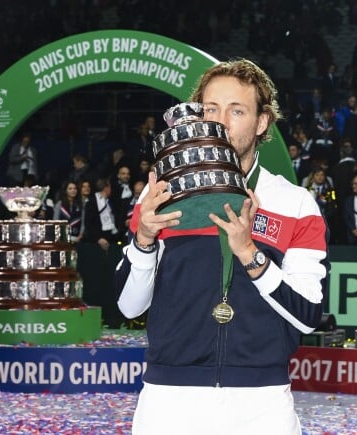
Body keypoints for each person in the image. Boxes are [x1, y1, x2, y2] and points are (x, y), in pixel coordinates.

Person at [116, 59, 329, 434]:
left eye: (237, 110)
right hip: (169, 400)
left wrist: (249, 252)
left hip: (261, 405)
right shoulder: (160, 196)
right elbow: (128, 305)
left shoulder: (295, 204)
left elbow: (309, 314)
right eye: (211, 109)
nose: (220, 122)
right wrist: (144, 240)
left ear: (262, 122)